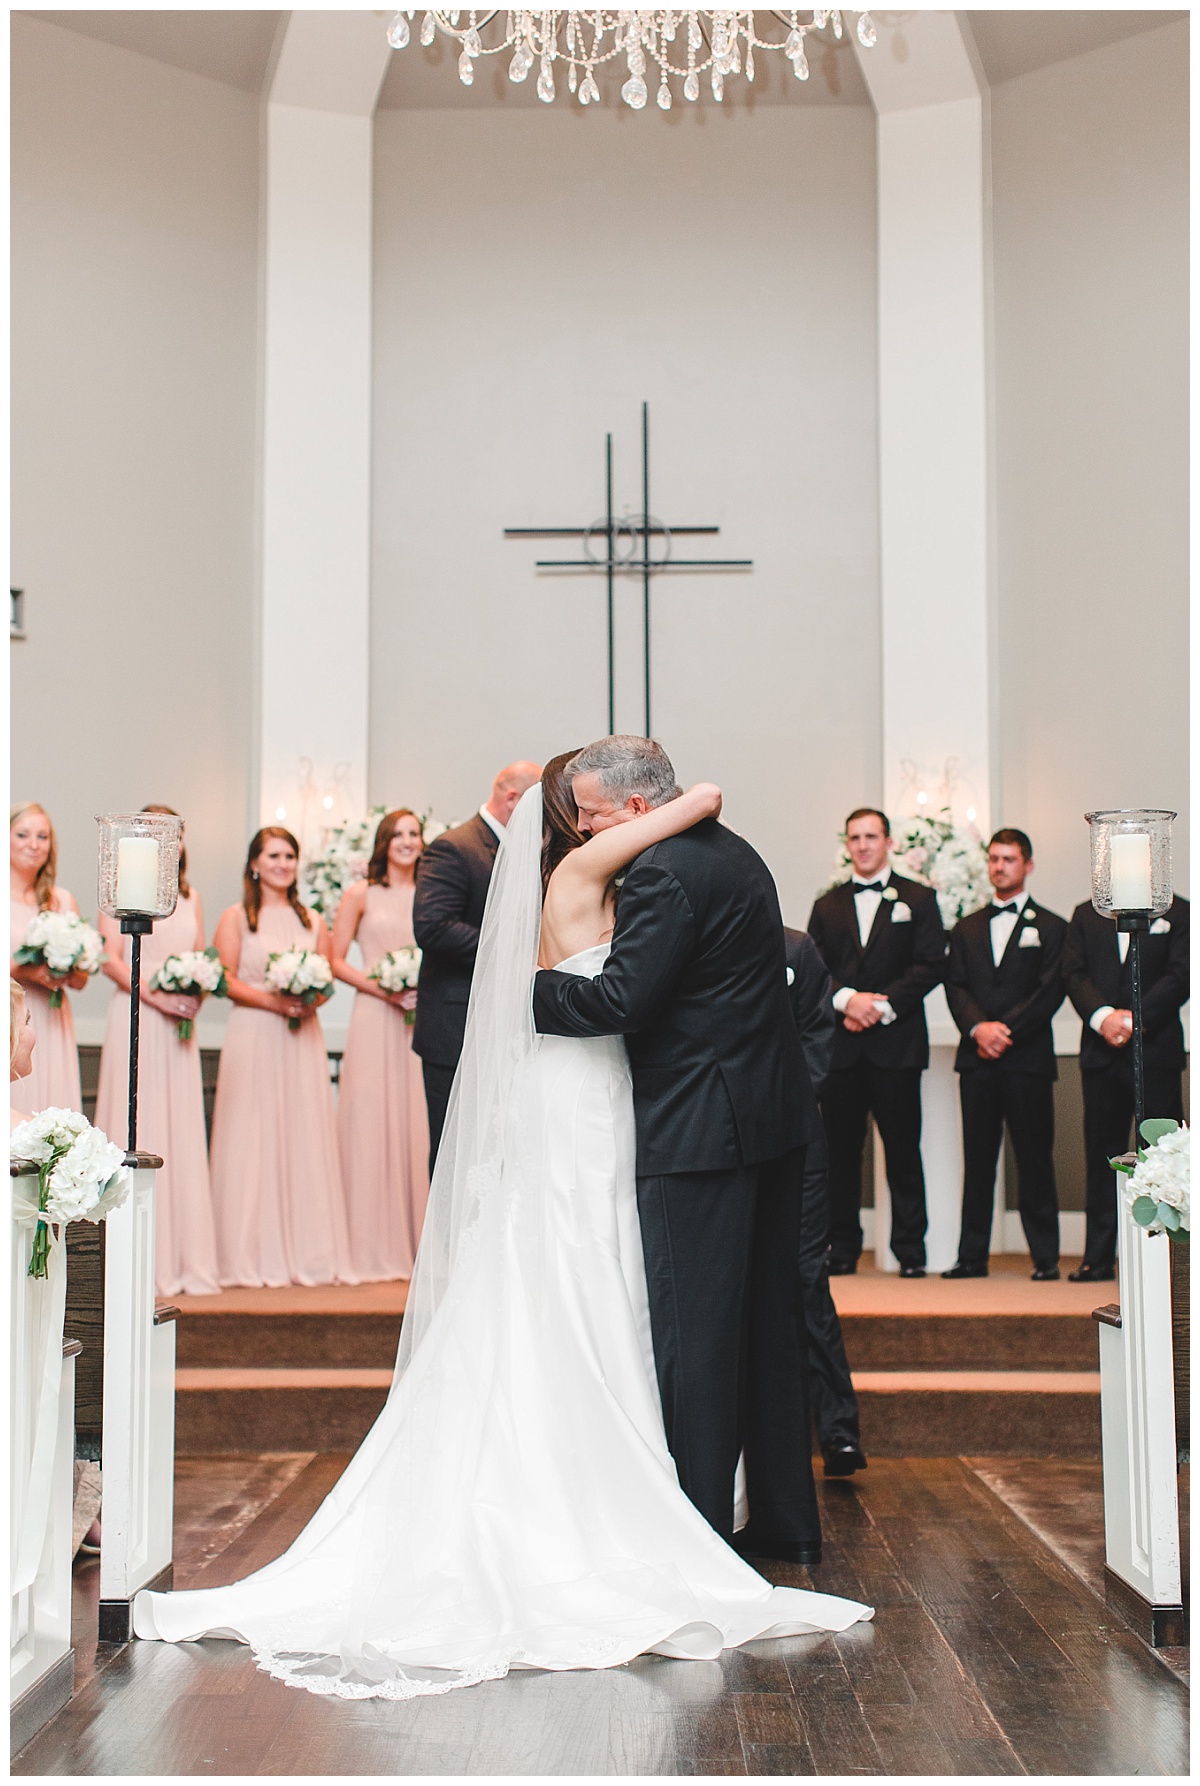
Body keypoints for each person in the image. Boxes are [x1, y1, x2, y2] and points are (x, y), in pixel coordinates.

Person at [133, 759, 872, 1696]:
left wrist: (671, 816)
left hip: (619, 1099)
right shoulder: (590, 874)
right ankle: (629, 1496)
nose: (596, 822)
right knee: (589, 1266)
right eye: (588, 813)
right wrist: (529, 995)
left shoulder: (613, 864)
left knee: (608, 1274)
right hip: (597, 1091)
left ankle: (655, 1484)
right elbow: (618, 990)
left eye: (601, 810)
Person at [534, 738, 822, 1565]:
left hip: (701, 1132)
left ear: (633, 808)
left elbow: (623, 999)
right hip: (770, 1120)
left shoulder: (659, 872)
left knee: (695, 1339)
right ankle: (784, 1522)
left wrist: (523, 995)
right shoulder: (737, 854)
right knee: (769, 1329)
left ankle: (696, 1536)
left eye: (588, 810)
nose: (581, 824)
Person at [208, 828, 355, 1288]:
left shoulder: (312, 920)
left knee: (301, 1133)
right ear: (255, 863)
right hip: (254, 1035)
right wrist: (275, 1002)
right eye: (273, 855)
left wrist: (309, 999)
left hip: (300, 1038)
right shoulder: (236, 918)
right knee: (250, 1134)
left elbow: (327, 977)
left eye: (290, 856)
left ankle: (307, 1250)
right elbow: (223, 979)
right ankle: (246, 1251)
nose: (282, 863)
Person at [806, 808, 947, 1277]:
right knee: (841, 1156)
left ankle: (911, 1252)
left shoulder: (919, 898)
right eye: (855, 837)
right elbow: (814, 970)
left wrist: (880, 1006)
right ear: (847, 844)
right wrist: (848, 1001)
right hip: (842, 1049)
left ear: (889, 842)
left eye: (871, 836)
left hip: (897, 1045)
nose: (863, 845)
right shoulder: (827, 905)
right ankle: (841, 1249)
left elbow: (930, 965)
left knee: (904, 1151)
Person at [95, 806, 220, 1297]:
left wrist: (193, 994)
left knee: (179, 1127)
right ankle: (126, 1247)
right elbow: (109, 957)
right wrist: (156, 996)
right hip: (135, 1012)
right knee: (137, 1115)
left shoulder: (190, 897)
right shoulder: (123, 890)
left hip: (177, 1029)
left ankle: (182, 1251)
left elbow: (203, 958)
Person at [942, 829, 1068, 1280]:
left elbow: (1051, 989)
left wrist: (1005, 1030)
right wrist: (979, 1028)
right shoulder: (965, 927)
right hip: (977, 1060)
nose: (1000, 866)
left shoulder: (1053, 927)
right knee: (977, 1160)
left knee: (1034, 1158)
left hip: (1027, 1059)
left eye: (1009, 859)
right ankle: (971, 1257)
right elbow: (953, 984)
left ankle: (1046, 1258)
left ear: (1027, 865)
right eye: (994, 858)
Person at [412, 760, 542, 1168]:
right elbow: (432, 927)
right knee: (454, 1152)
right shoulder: (455, 846)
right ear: (512, 799)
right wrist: (514, 951)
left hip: (504, 1024)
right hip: (456, 1025)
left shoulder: (524, 848)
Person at [1062, 891, 1190, 1283]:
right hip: (1101, 1054)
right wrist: (1103, 1018)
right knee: (1102, 1155)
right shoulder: (1085, 914)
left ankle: (1163, 1257)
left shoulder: (1179, 911)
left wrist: (1135, 1018)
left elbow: (1181, 973)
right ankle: (1098, 1257)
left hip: (1156, 1053)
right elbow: (1073, 973)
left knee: (1162, 1154)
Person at [331, 809, 430, 1281]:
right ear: (383, 843)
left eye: (414, 834)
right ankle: (368, 1242)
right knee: (371, 1120)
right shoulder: (360, 893)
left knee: (417, 1119)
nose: (407, 842)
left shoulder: (432, 891)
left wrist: (419, 987)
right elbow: (334, 960)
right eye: (398, 835)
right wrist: (382, 987)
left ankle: (419, 1240)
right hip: (375, 1014)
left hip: (420, 1015)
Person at [784, 925, 866, 1478]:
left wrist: (783, 1104)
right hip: (728, 1144)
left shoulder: (796, 948)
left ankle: (838, 1432)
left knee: (807, 1278)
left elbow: (818, 1034)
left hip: (797, 1137)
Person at [9, 802, 87, 1112]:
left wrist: (64, 972)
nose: (34, 844)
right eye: (23, 834)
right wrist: (26, 971)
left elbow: (81, 980)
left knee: (52, 1109)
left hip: (53, 1019)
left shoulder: (62, 900)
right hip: (11, 1018)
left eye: (43, 837)